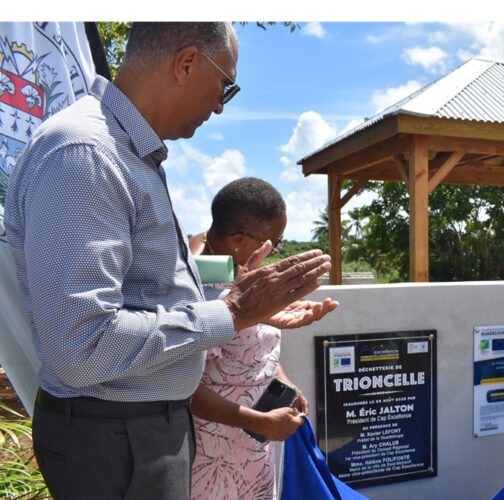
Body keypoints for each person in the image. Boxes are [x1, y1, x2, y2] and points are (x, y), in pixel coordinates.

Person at [4, 23, 334, 499]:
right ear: (186, 63)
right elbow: (80, 346)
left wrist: (246, 311)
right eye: (225, 85)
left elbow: (147, 292)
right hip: (116, 436)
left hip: (135, 429)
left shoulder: (124, 152)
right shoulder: (86, 154)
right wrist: (231, 313)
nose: (220, 106)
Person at [186, 177, 336, 499]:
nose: (276, 251)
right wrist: (258, 422)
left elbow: (250, 349)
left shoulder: (234, 270)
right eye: (273, 242)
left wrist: (283, 382)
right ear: (238, 240)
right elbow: (185, 387)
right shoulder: (194, 290)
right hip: (214, 462)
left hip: (253, 454)